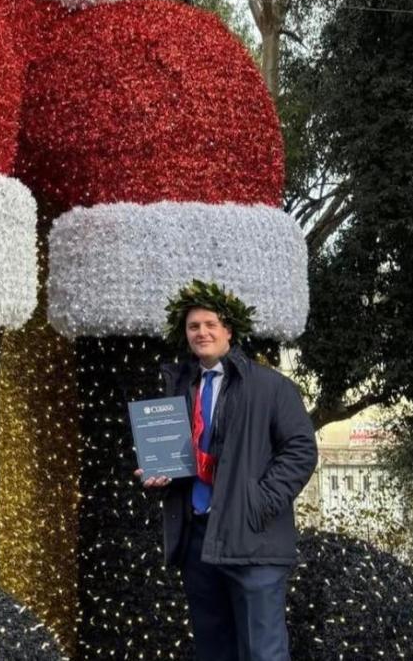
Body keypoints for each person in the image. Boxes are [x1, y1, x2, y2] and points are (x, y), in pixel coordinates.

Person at [136, 280, 317, 661]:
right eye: (193, 326)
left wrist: (257, 504)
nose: (201, 332)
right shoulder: (180, 388)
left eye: (210, 324)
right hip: (200, 540)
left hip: (253, 542)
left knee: (263, 653)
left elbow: (301, 451)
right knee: (214, 652)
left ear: (229, 330)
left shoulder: (271, 387)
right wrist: (162, 476)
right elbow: (184, 457)